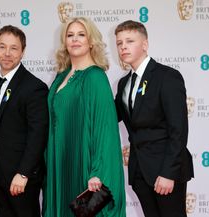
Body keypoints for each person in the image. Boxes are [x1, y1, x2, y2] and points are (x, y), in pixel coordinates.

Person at [43, 17, 126, 217]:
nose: (75, 39)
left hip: (84, 163)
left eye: (81, 35)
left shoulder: (95, 77)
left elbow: (104, 128)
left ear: (91, 42)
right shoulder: (61, 77)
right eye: (70, 35)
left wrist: (97, 170)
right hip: (60, 162)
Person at [114, 20, 194, 217]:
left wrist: (168, 173)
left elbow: (179, 130)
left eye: (130, 41)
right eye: (119, 43)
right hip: (140, 172)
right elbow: (110, 116)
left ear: (145, 44)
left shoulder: (167, 76)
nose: (123, 46)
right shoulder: (124, 83)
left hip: (166, 171)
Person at [0, 25, 48, 217]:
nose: (7, 53)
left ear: (23, 52)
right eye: (2, 47)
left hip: (22, 175)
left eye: (14, 48)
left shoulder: (34, 87)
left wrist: (23, 173)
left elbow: (38, 135)